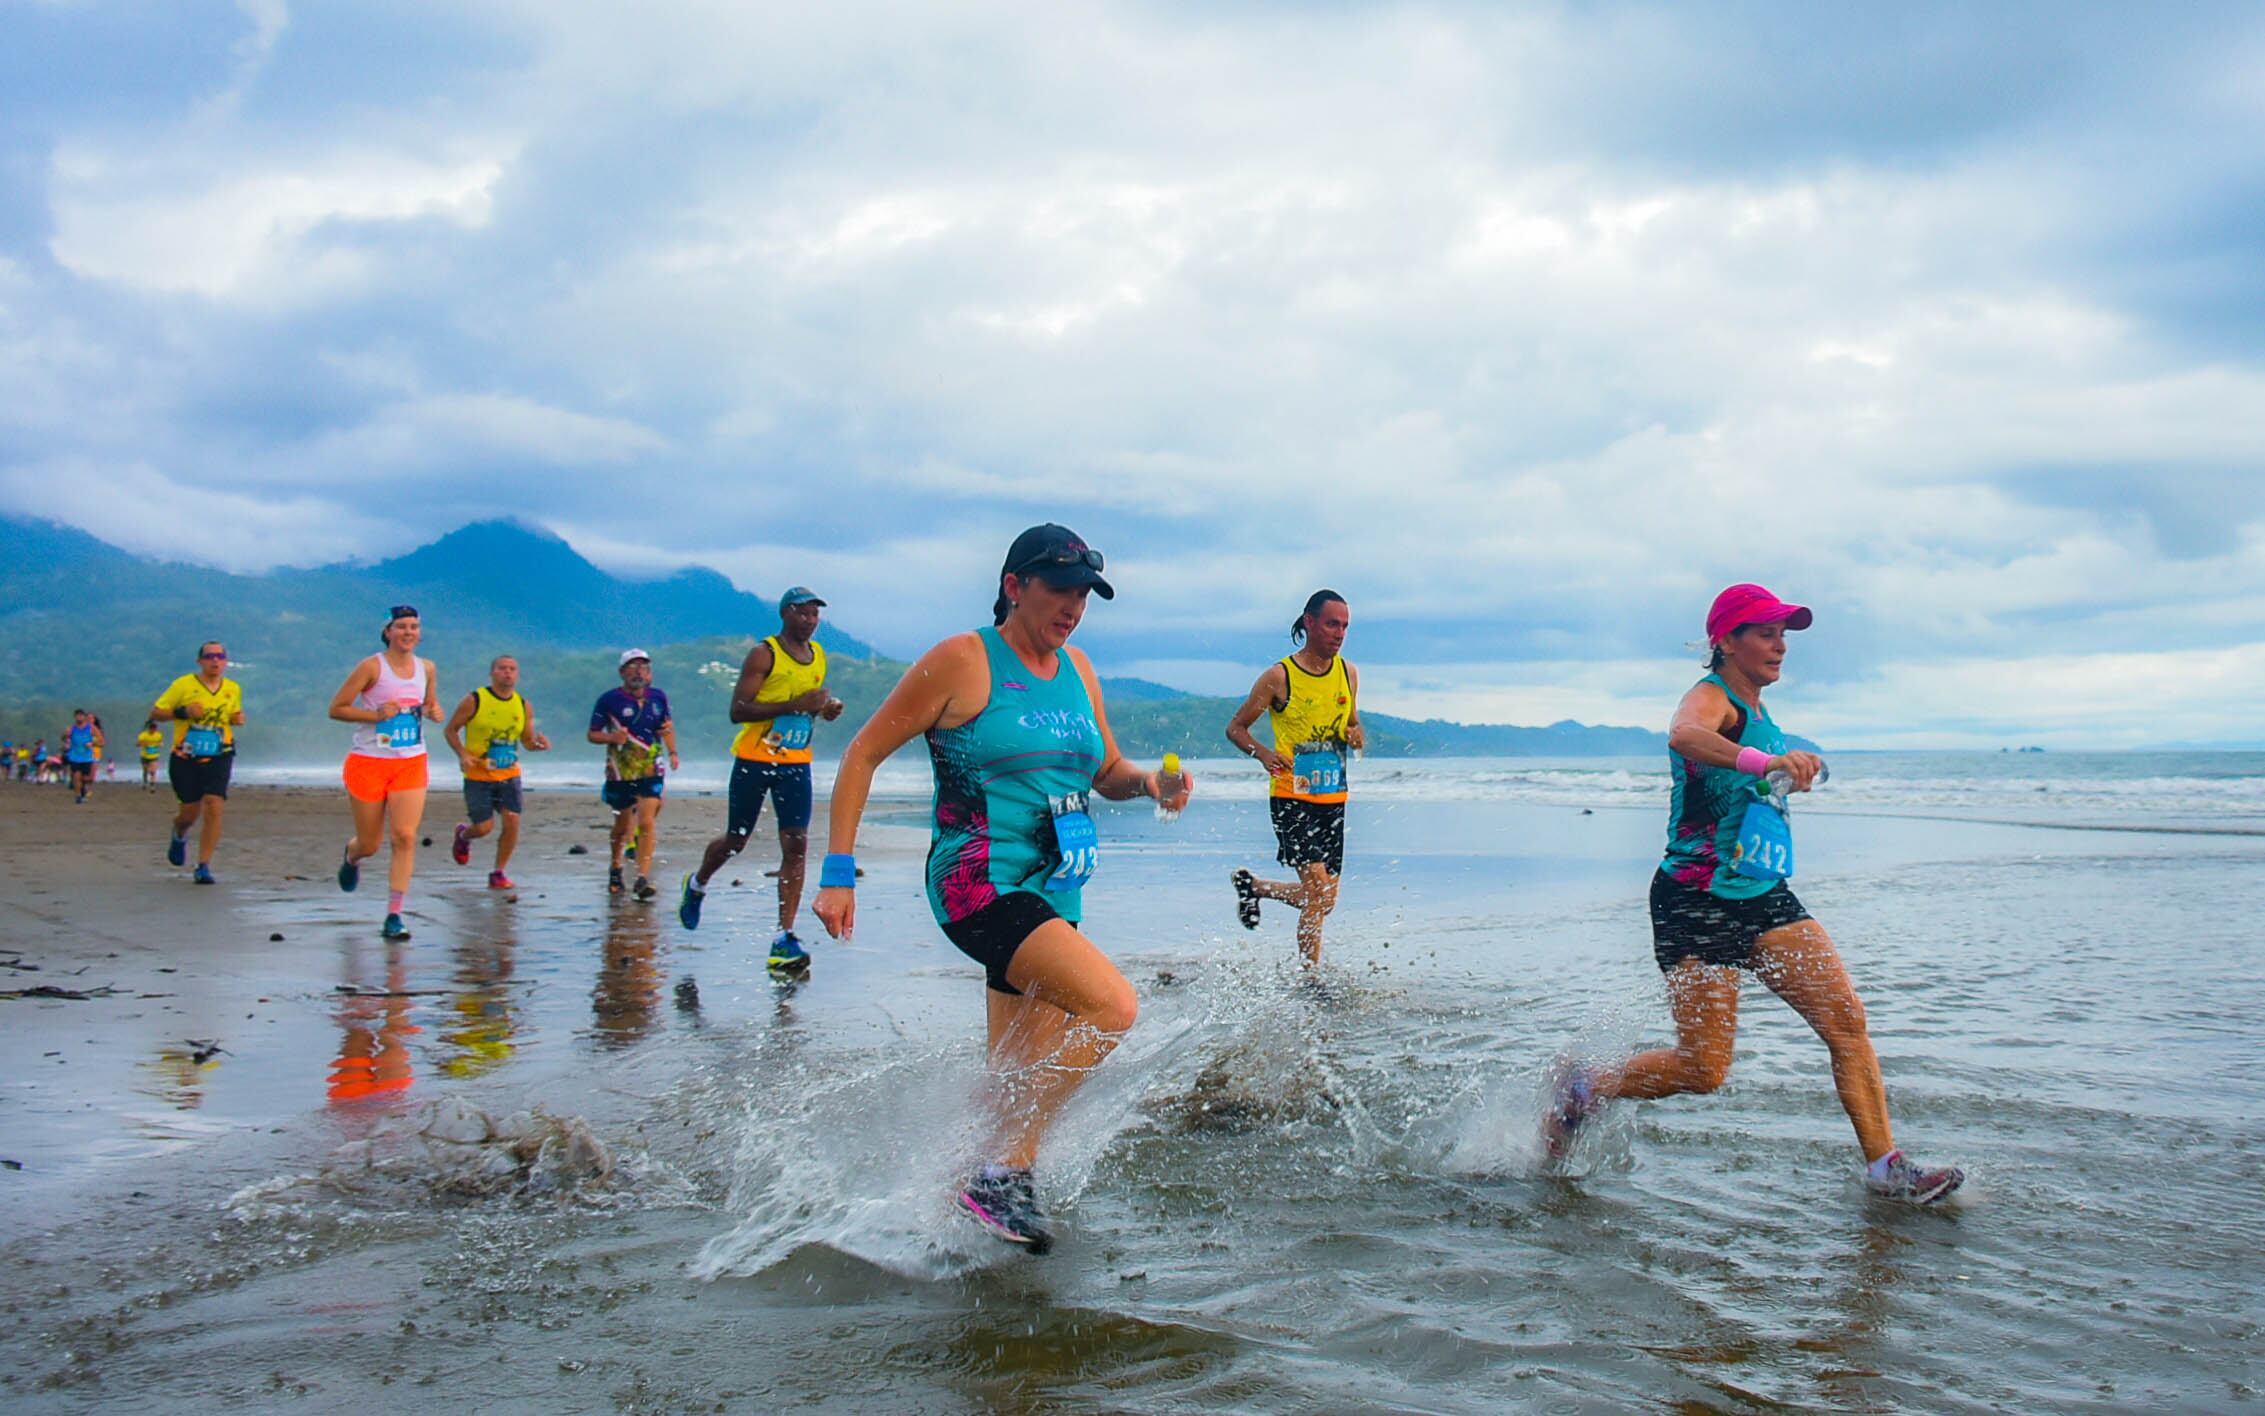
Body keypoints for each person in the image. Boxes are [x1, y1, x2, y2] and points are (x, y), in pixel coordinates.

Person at [814, 524, 1191, 1253]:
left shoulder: (1078, 669)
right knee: (1112, 1009)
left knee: (1013, 1074)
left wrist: (1149, 783)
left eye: (1084, 594)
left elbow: (1103, 770)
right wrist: (837, 873)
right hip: (977, 882)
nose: (1073, 607)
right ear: (1014, 586)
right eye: (1059, 590)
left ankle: (946, 1231)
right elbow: (863, 753)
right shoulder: (962, 661)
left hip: (1056, 892)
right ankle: (999, 1176)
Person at [1544, 584, 1964, 1205]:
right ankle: (1585, 1085)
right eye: (1765, 632)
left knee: (1847, 1021)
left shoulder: (1762, 715)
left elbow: (1752, 785)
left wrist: (1791, 774)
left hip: (1762, 893)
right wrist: (1762, 766)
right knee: (1703, 1069)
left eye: (1784, 633)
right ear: (1726, 641)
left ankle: (1886, 1168)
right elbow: (1685, 736)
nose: (1780, 645)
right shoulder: (1711, 698)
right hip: (1695, 900)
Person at [679, 587, 845, 976]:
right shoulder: (764, 653)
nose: (810, 621)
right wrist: (796, 705)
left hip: (795, 762)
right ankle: (698, 883)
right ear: (786, 614)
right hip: (754, 759)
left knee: (797, 843)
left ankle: (784, 936)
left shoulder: (819, 656)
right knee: (737, 840)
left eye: (815, 615)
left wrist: (827, 709)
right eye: (803, 614)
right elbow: (739, 710)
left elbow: (813, 705)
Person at [1225, 590, 1363, 966]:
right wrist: (1265, 754)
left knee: (1326, 900)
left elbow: (1352, 726)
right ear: (1309, 622)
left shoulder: (1348, 673)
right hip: (1291, 797)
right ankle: (1311, 977)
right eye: (1332, 624)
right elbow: (1236, 729)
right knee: (1317, 891)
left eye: (1345, 626)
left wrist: (1356, 735)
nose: (1339, 633)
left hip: (1332, 797)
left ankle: (1255, 888)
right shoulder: (1278, 677)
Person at [330, 605, 442, 940]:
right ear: (388, 632)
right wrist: (375, 715)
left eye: (414, 627)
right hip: (369, 761)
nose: (409, 632)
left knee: (405, 836)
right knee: (370, 843)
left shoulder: (427, 668)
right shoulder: (371, 667)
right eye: (402, 627)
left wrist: (434, 711)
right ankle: (352, 856)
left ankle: (395, 914)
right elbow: (336, 709)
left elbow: (428, 705)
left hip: (410, 761)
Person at [444, 654, 552, 889]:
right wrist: (463, 754)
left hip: (509, 774)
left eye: (512, 669)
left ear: (518, 674)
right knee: (484, 828)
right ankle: (463, 836)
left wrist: (539, 745)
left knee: (512, 821)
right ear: (492, 673)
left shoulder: (523, 705)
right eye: (502, 668)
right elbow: (451, 730)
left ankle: (498, 872)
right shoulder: (475, 700)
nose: (507, 672)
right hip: (478, 775)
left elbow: (526, 741)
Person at [588, 649, 678, 901]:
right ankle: (616, 868)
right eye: (632, 666)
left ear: (649, 673)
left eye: (643, 667)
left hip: (651, 767)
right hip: (620, 771)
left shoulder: (659, 697)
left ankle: (642, 878)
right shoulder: (609, 700)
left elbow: (666, 727)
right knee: (622, 826)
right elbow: (592, 734)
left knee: (647, 821)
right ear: (622, 672)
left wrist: (672, 752)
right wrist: (610, 737)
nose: (638, 671)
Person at [153, 643, 246, 883]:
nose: (215, 661)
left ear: (226, 661)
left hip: (220, 754)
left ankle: (203, 865)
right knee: (189, 814)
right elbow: (156, 712)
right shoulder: (183, 685)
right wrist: (183, 712)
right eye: (209, 657)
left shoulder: (233, 688)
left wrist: (237, 718)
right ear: (200, 661)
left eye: (220, 657)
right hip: (186, 757)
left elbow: (234, 713)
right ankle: (179, 833)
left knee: (215, 805)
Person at [63, 708, 97, 804]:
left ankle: (83, 791)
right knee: (76, 776)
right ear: (75, 717)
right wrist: (65, 735)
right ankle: (78, 796)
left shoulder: (91, 728)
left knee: (86, 778)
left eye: (81, 715)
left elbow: (102, 741)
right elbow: (63, 738)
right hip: (74, 756)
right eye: (77, 715)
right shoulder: (71, 728)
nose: (79, 717)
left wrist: (92, 743)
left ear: (84, 717)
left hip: (87, 757)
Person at [136, 720, 164, 790]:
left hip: (154, 756)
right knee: (145, 770)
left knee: (153, 771)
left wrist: (160, 745)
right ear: (149, 728)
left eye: (154, 728)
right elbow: (137, 744)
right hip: (144, 756)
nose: (153, 730)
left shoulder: (158, 735)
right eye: (151, 728)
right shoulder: (143, 735)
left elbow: (161, 742)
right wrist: (143, 744)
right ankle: (145, 782)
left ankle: (152, 786)